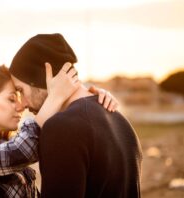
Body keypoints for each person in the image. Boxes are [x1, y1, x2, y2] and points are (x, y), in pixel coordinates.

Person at [0, 63, 117, 197]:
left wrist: (89, 100)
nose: (21, 106)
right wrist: (56, 96)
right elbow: (19, 152)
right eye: (12, 99)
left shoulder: (9, 144)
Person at [9, 33, 143, 197]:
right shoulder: (121, 121)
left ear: (43, 76)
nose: (22, 104)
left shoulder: (61, 128)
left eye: (21, 91)